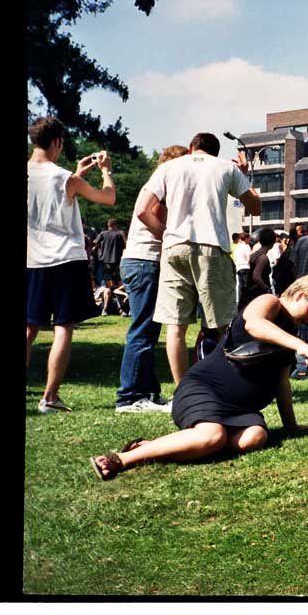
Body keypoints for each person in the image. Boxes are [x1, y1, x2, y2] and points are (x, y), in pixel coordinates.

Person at [89, 275, 308, 481]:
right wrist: (299, 344)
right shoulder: (270, 302)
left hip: (240, 408)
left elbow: (282, 382)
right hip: (205, 389)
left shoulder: (292, 330)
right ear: (301, 293)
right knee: (213, 436)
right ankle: (124, 458)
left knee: (255, 437)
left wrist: (291, 426)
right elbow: (254, 325)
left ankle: (174, 444)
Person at [135, 132, 261, 385]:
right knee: (223, 323)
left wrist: (166, 234)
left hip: (174, 246)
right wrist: (244, 176)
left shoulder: (169, 167)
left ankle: (183, 390)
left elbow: (141, 211)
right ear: (215, 152)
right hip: (211, 246)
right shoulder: (226, 167)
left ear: (192, 147)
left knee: (176, 326)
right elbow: (255, 207)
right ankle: (230, 383)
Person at [26, 117, 116, 413]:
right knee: (63, 326)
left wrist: (77, 173)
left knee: (29, 327)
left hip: (32, 259)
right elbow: (108, 198)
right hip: (65, 257)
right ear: (56, 142)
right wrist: (106, 172)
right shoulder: (65, 177)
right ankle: (50, 397)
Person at [115, 145, 187, 414]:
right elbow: (145, 214)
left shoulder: (158, 183)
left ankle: (147, 391)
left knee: (148, 330)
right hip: (145, 261)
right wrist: (170, 237)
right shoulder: (162, 185)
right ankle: (130, 396)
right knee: (143, 329)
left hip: (141, 261)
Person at [95, 218, 127, 316]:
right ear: (115, 225)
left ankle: (104, 309)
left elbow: (94, 244)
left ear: (108, 225)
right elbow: (125, 246)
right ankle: (122, 309)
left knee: (108, 287)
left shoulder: (102, 234)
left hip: (105, 263)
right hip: (117, 263)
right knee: (119, 287)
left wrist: (99, 254)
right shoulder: (119, 234)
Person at [238, 227, 276, 310]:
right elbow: (256, 276)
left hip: (251, 290)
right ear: (272, 242)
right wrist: (266, 288)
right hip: (258, 292)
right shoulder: (263, 258)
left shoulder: (255, 254)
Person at [233, 232, 251, 305]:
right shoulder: (247, 246)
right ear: (246, 238)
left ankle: (240, 301)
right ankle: (247, 301)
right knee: (247, 286)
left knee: (240, 285)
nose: (249, 240)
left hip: (238, 267)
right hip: (245, 266)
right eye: (249, 238)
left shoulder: (237, 247)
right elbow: (249, 258)